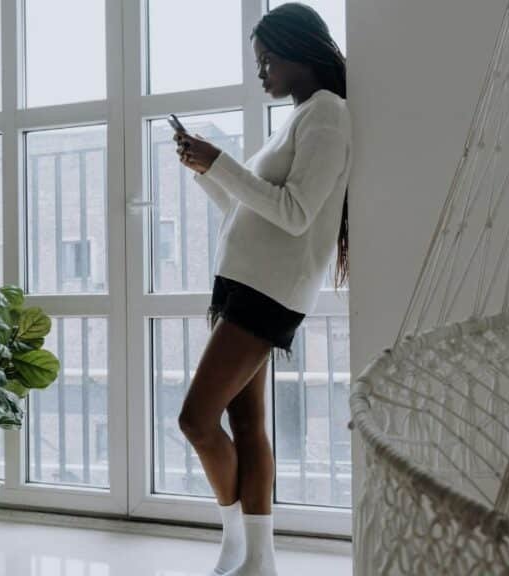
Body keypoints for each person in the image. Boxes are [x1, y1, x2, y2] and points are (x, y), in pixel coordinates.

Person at [173, 3, 351, 575]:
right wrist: (208, 174)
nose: (261, 72)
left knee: (196, 420)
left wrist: (221, 162)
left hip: (266, 293)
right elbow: (249, 211)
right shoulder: (302, 117)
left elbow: (296, 213)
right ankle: (257, 558)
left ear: (301, 51)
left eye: (267, 60)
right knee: (246, 425)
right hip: (244, 284)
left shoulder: (327, 114)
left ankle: (239, 545)